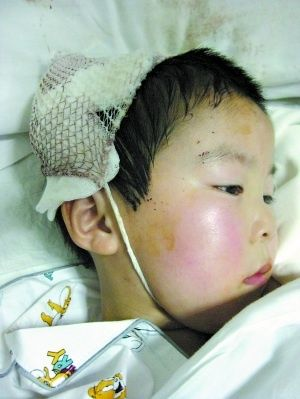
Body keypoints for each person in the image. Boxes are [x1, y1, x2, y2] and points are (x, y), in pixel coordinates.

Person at [0, 48, 279, 398]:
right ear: (98, 221)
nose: (269, 224)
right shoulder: (27, 358)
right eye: (230, 187)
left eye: (268, 196)